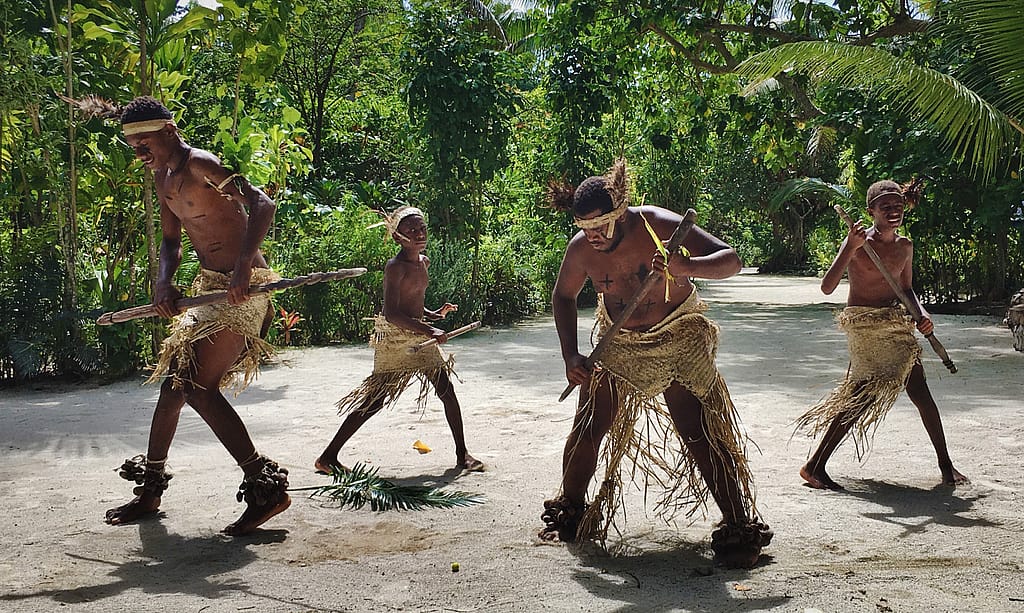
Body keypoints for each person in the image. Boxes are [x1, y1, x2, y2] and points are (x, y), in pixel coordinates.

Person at [540, 159, 771, 569]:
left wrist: (688, 267)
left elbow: (731, 260)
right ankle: (570, 512)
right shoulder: (581, 250)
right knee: (589, 424)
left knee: (696, 430)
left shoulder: (657, 224)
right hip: (620, 341)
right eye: (585, 229)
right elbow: (564, 296)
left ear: (620, 211)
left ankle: (739, 526)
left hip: (678, 335)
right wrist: (570, 354)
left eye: (600, 226)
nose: (593, 237)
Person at [104, 96, 290, 535]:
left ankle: (266, 490)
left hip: (246, 287)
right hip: (209, 289)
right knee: (173, 389)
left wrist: (242, 267)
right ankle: (150, 491)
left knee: (199, 390)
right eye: (134, 146)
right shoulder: (163, 180)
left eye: (145, 143)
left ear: (169, 131)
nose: (139, 152)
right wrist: (164, 284)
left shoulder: (201, 165)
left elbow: (262, 204)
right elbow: (171, 242)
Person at [798, 179, 969, 490]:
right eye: (886, 207)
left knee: (919, 391)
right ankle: (814, 466)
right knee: (863, 395)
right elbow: (827, 287)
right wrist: (850, 247)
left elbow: (907, 289)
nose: (893, 211)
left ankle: (946, 465)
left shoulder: (905, 246)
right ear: (871, 211)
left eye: (898, 206)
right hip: (864, 325)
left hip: (894, 323)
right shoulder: (858, 244)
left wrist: (922, 314)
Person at [315, 207, 483, 474]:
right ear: (397, 237)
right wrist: (429, 330)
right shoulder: (395, 267)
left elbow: (413, 303)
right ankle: (328, 457)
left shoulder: (424, 262)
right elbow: (392, 313)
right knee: (375, 401)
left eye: (422, 229)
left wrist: (434, 314)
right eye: (412, 230)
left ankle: (462, 454)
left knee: (447, 392)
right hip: (395, 338)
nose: (419, 234)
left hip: (418, 332)